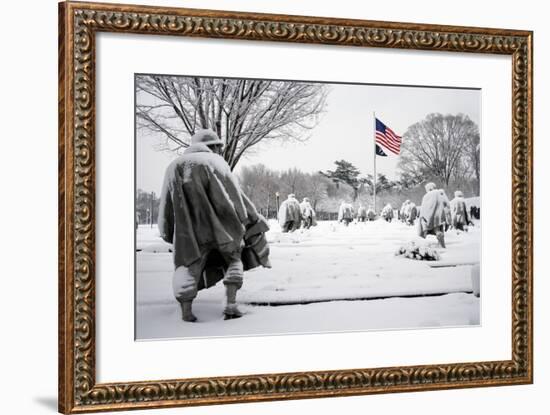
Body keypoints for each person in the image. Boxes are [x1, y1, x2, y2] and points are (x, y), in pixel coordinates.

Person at [158, 129, 271, 322]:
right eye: (218, 146)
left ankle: (186, 312)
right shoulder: (216, 163)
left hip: (190, 233)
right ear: (212, 146)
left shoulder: (173, 167)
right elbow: (235, 197)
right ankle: (231, 304)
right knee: (233, 261)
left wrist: (168, 231)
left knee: (188, 268)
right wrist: (247, 219)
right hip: (225, 230)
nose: (220, 149)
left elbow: (166, 205)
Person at [417, 182, 450, 248]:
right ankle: (441, 244)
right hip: (440, 215)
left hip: (430, 216)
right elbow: (447, 205)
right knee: (439, 229)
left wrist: (423, 218)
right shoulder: (441, 194)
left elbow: (424, 208)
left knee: (431, 231)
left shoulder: (427, 196)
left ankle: (440, 246)